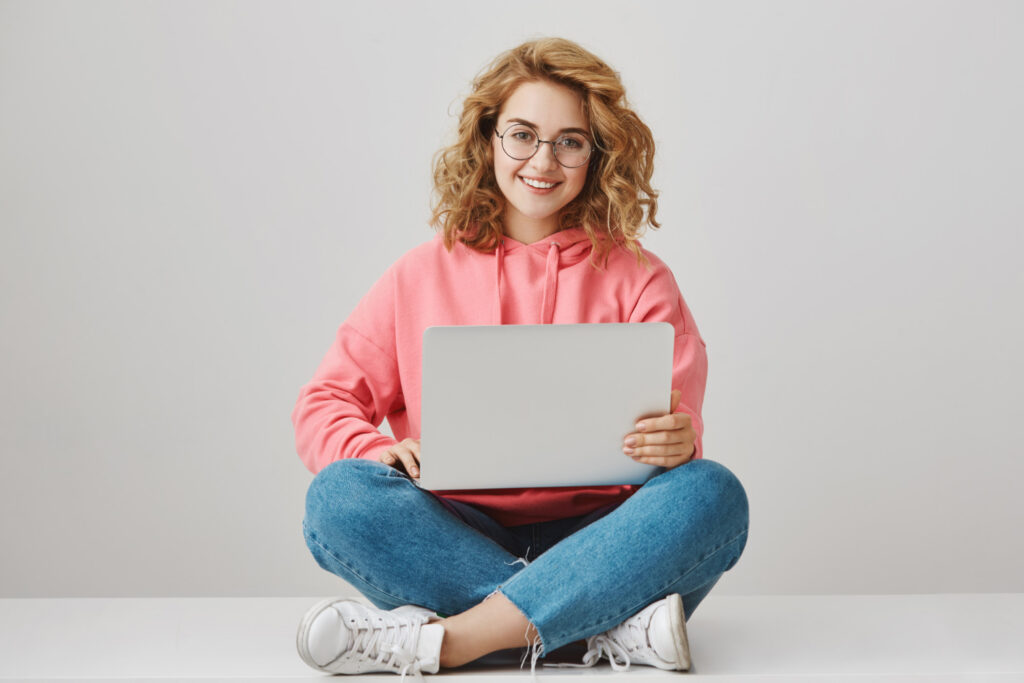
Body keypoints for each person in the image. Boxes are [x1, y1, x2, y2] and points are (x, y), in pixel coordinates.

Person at [291, 37, 749, 678]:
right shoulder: (418, 275)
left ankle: (450, 642)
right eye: (523, 135)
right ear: (488, 140)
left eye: (570, 140)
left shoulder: (642, 278)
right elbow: (325, 401)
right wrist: (373, 451)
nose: (544, 159)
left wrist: (678, 441)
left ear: (597, 154)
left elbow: (677, 433)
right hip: (453, 533)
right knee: (338, 497)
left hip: (606, 536)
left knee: (713, 494)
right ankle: (605, 629)